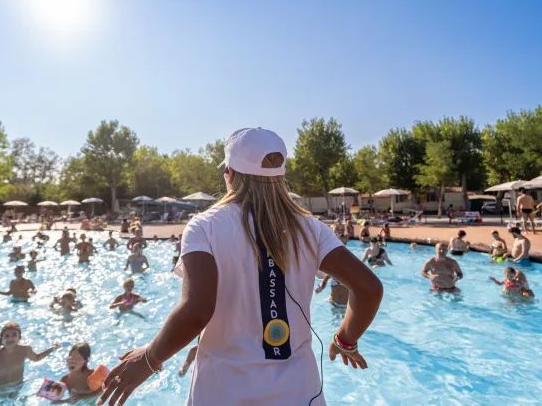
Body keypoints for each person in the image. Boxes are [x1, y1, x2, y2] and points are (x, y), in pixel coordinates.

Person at [98, 127, 383, 406]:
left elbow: (197, 310)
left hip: (221, 391)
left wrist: (149, 358)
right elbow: (369, 288)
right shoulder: (312, 229)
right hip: (299, 391)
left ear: (231, 174)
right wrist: (345, 339)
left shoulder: (205, 226)